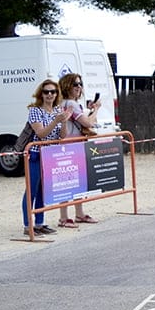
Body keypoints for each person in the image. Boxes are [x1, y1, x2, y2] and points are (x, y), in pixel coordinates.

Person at [22, 78, 71, 236]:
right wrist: (56, 120)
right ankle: (27, 225)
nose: (50, 95)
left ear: (57, 94)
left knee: (43, 190)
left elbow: (62, 136)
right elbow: (41, 134)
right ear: (41, 94)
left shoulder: (57, 110)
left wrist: (64, 122)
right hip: (36, 153)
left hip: (51, 155)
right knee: (32, 189)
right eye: (46, 92)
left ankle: (40, 222)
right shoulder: (35, 110)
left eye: (53, 92)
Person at [56, 73, 101, 228]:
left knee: (69, 181)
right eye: (75, 84)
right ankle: (68, 216)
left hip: (67, 145)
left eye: (80, 84)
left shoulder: (62, 103)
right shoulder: (71, 104)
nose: (79, 87)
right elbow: (88, 123)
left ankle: (73, 214)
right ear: (67, 86)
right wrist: (96, 109)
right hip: (74, 145)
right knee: (72, 182)